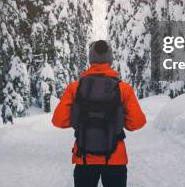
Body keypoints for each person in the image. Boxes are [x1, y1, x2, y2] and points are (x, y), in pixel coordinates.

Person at [52, 40, 146, 187]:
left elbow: (58, 121)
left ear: (90, 60)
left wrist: (81, 118)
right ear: (110, 59)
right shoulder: (123, 89)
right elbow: (137, 123)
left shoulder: (75, 87)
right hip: (115, 159)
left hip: (84, 158)